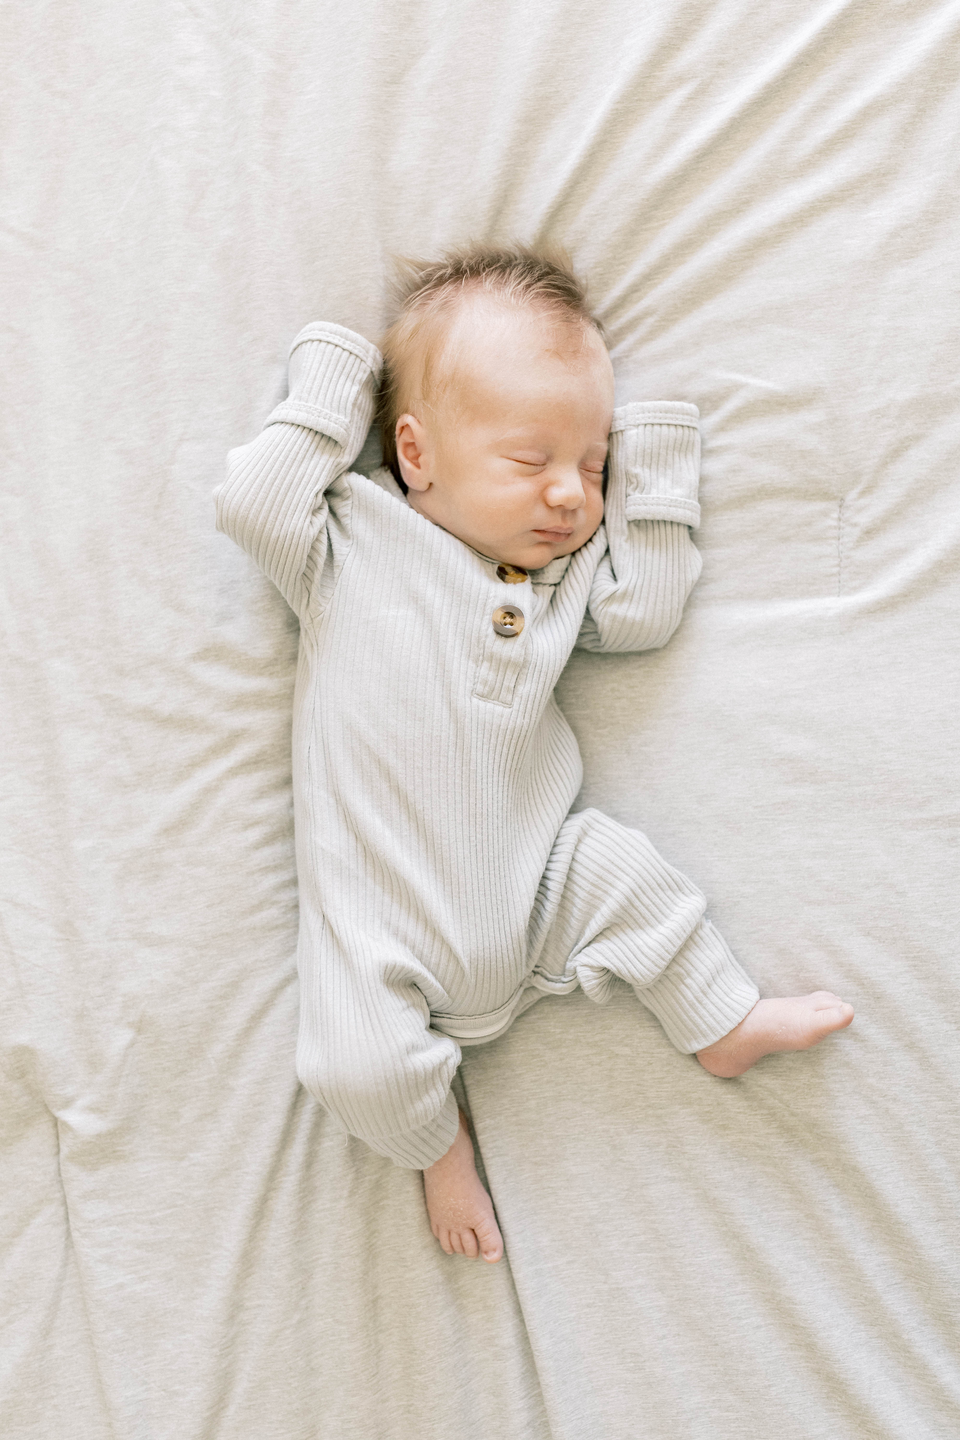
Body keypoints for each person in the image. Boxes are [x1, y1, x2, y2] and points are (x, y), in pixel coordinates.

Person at [215, 245, 853, 1265]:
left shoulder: (554, 580)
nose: (569, 494)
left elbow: (639, 615)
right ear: (416, 454)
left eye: (591, 465)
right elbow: (254, 504)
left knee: (630, 876)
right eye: (531, 461)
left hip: (540, 878)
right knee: (356, 1067)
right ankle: (439, 1146)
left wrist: (651, 460)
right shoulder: (351, 542)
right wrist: (341, 371)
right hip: (384, 928)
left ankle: (719, 1018)